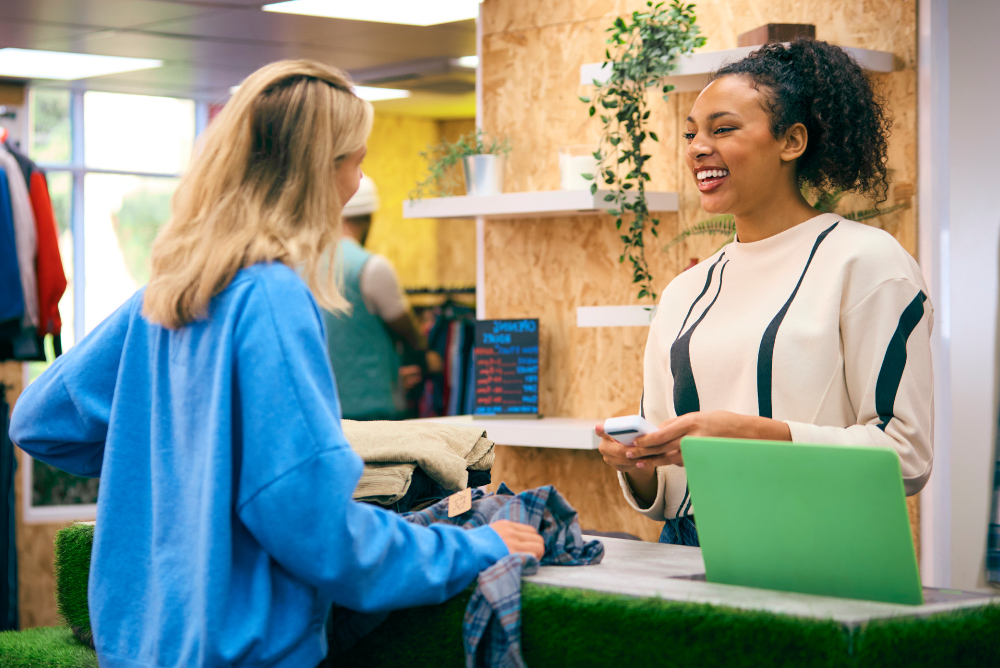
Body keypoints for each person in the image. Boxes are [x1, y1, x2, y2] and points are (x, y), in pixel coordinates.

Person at [8, 60, 542, 668]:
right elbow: (319, 533)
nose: (355, 183)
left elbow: (40, 419)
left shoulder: (168, 292)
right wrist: (469, 550)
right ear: (317, 174)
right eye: (354, 162)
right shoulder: (272, 297)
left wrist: (181, 465)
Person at [597, 39, 933, 545]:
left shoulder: (867, 264)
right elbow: (668, 491)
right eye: (690, 134)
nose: (697, 147)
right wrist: (637, 461)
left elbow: (905, 456)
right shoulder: (684, 292)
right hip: (689, 550)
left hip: (814, 549)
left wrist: (753, 436)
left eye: (723, 128)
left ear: (791, 141)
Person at [324, 175, 426, 420]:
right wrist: (426, 356)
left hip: (323, 409)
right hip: (375, 411)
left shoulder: (301, 264)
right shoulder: (372, 267)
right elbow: (408, 332)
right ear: (369, 219)